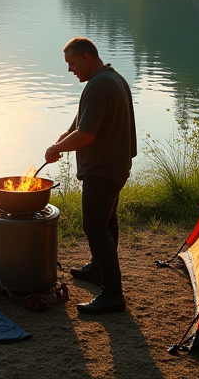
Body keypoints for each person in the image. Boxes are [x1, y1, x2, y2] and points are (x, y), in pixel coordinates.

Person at [44, 36, 137, 315]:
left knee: (95, 228)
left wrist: (55, 148)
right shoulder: (111, 77)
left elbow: (86, 135)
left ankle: (112, 293)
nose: (70, 70)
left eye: (72, 63)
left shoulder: (98, 86)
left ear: (86, 58)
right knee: (107, 222)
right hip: (116, 164)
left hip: (103, 169)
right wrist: (65, 135)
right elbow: (84, 120)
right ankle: (99, 268)